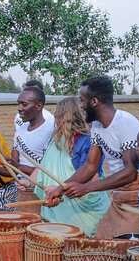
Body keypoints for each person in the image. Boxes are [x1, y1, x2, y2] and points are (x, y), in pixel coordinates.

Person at [45, 76, 139, 238]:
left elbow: (131, 172)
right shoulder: (97, 127)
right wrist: (60, 190)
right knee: (100, 245)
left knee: (125, 249)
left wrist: (86, 188)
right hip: (120, 195)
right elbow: (90, 166)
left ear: (95, 101)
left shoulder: (126, 123)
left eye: (82, 100)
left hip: (138, 197)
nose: (81, 106)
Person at [34, 97, 109, 236]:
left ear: (68, 118)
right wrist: (28, 182)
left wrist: (59, 189)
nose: (56, 120)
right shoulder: (58, 141)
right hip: (62, 202)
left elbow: (92, 178)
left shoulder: (88, 141)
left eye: (59, 115)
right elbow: (43, 167)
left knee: (83, 247)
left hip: (86, 210)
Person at [8, 86, 54, 213]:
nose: (19, 108)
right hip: (19, 188)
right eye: (18, 104)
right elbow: (14, 163)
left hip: (41, 190)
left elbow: (48, 170)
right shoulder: (20, 130)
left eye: (24, 104)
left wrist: (19, 167)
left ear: (38, 106)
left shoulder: (50, 131)